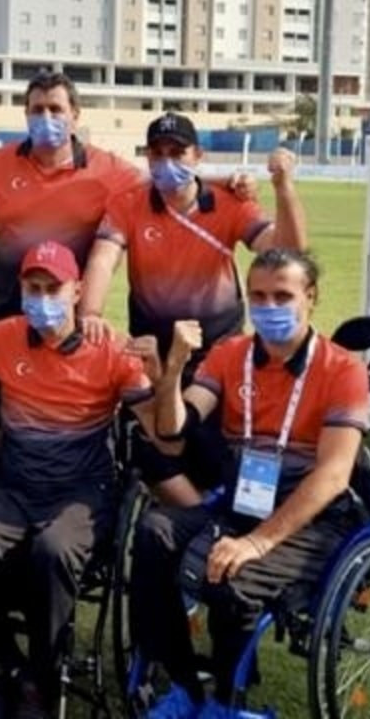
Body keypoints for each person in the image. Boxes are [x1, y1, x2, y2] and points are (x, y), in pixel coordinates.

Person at [130, 249, 370, 718]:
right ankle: (185, 685)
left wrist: (257, 543)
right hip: (243, 501)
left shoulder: (343, 370)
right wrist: (174, 368)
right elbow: (174, 428)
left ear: (311, 297)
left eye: (283, 296)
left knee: (233, 578)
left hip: (314, 517)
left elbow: (333, 474)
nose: (269, 306)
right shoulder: (230, 355)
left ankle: (225, 701)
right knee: (154, 533)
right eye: (258, 296)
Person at [0, 241, 171, 717]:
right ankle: (5, 664)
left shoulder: (110, 347)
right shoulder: (1, 339)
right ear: (21, 289)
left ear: (77, 291)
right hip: (13, 484)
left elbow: (160, 431)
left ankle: (41, 676)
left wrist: (163, 372)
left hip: (81, 489)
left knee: (54, 551)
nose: (42, 298)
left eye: (53, 288)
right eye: (33, 287)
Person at [80, 114, 308, 507]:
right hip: (154, 355)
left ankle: (224, 514)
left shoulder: (229, 203)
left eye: (177, 152)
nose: (166, 161)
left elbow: (286, 254)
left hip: (217, 354)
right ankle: (198, 516)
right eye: (157, 153)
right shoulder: (130, 204)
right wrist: (91, 312)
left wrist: (283, 187)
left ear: (197, 155)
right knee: (153, 449)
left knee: (220, 446)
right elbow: (103, 258)